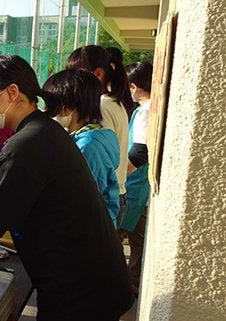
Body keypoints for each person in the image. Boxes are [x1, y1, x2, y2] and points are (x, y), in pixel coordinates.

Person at [0, 54, 134, 321]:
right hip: (93, 277)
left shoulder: (26, 143)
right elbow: (18, 178)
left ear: (12, 92)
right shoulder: (44, 130)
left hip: (78, 288)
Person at [66, 45, 134, 228]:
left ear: (97, 74)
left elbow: (98, 158)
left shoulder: (101, 105)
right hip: (116, 193)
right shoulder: (112, 101)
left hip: (105, 197)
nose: (70, 81)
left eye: (75, 74)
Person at [43, 68, 120, 227]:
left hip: (90, 231)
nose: (48, 112)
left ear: (72, 105)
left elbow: (80, 199)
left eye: (52, 106)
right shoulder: (94, 134)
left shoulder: (88, 146)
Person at [122, 61, 153, 296]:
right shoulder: (151, 107)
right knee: (139, 241)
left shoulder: (145, 111)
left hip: (135, 185)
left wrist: (120, 176)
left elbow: (139, 153)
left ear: (134, 86)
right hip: (140, 186)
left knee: (118, 237)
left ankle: (129, 284)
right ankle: (132, 282)